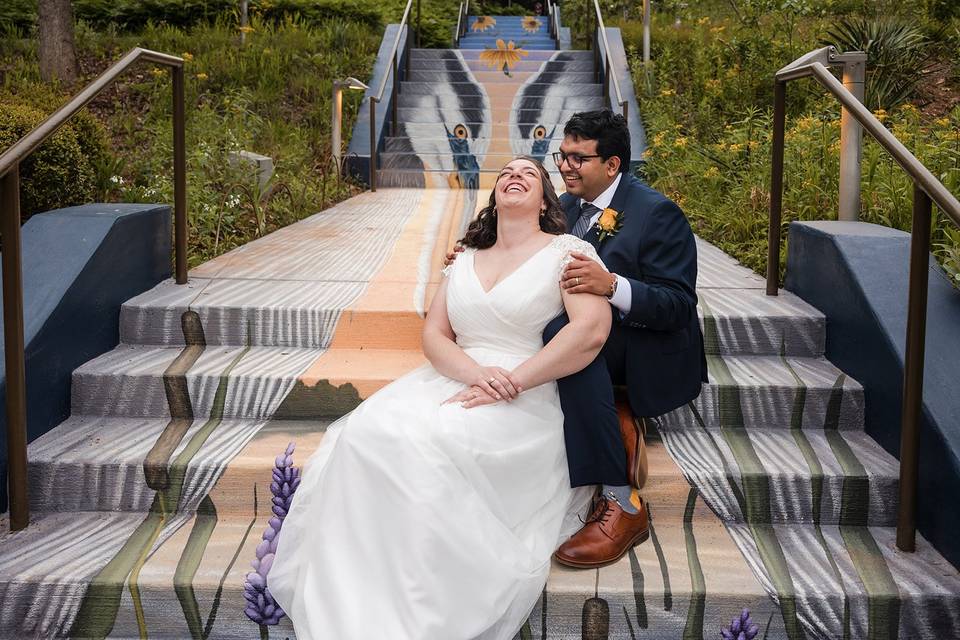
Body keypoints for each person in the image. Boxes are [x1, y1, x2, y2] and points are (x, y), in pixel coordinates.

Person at [268, 156, 613, 639]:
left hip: (527, 387)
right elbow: (434, 334)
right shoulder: (465, 257)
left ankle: (424, 605)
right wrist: (475, 373)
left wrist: (512, 381)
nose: (515, 176)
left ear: (545, 200)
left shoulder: (568, 252)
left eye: (529, 174)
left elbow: (591, 331)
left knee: (439, 443)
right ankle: (365, 588)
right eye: (506, 173)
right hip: (455, 374)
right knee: (368, 432)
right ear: (495, 197)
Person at [445, 109, 707, 568]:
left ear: (612, 165)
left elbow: (680, 305)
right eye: (562, 155)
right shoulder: (562, 208)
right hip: (571, 334)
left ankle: (621, 502)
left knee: (566, 333)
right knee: (557, 330)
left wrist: (613, 286)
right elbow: (521, 252)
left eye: (578, 158)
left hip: (644, 344)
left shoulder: (656, 213)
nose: (564, 167)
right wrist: (473, 259)